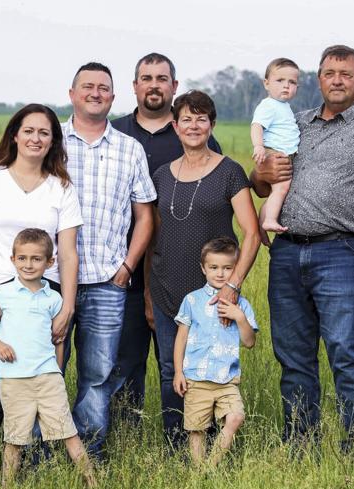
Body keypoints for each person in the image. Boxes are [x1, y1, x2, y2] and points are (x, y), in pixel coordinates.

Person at [250, 45, 354, 451]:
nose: (336, 79)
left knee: (345, 350)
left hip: (341, 252)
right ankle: (300, 443)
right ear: (318, 79)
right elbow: (262, 184)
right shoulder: (297, 122)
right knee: (292, 354)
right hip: (286, 252)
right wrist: (260, 172)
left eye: (345, 73)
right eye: (328, 73)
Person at [0, 104, 83, 472]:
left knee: (48, 386)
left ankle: (34, 466)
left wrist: (67, 307)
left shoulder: (61, 187)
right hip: (1, 294)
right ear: (14, 134)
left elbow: (67, 252)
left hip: (46, 296)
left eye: (44, 133)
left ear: (53, 141)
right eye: (29, 130)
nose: (35, 138)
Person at [110, 53, 222, 432]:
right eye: (146, 77)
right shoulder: (115, 134)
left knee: (181, 364)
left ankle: (185, 438)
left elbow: (220, 194)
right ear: (135, 86)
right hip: (120, 269)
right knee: (123, 362)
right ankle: (126, 438)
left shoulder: (192, 136)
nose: (154, 84)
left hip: (180, 276)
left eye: (162, 78)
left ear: (174, 86)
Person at [149, 89, 261, 451]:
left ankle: (214, 444)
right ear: (174, 125)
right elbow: (153, 234)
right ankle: (177, 446)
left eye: (201, 119)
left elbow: (253, 234)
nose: (193, 125)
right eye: (186, 119)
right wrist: (149, 293)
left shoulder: (229, 172)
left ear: (211, 124)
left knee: (213, 371)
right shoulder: (162, 175)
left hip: (215, 296)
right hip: (168, 289)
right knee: (172, 369)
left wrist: (232, 285)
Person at [62, 61, 156, 460]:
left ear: (113, 97)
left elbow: (145, 217)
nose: (96, 93)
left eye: (104, 88)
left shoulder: (129, 149)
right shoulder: (52, 142)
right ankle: (37, 454)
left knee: (99, 376)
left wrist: (127, 268)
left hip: (107, 282)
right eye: (88, 86)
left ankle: (90, 454)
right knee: (44, 371)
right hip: (50, 281)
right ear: (72, 94)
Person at [0, 229, 96, 489]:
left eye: (36, 259)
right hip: (14, 379)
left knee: (69, 433)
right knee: (14, 439)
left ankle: (93, 484)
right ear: (13, 259)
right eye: (23, 258)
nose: (29, 264)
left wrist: (58, 371)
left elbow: (59, 339)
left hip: (47, 378)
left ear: (50, 262)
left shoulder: (53, 297)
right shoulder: (2, 294)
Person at [172, 237, 258, 466]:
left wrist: (239, 317)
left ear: (235, 268)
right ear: (203, 268)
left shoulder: (242, 305)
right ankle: (199, 475)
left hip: (227, 381)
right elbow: (181, 338)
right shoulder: (191, 300)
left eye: (227, 268)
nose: (220, 274)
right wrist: (178, 372)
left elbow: (250, 342)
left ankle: (212, 466)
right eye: (214, 268)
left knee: (236, 417)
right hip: (196, 379)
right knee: (197, 430)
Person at [251, 58, 301, 235]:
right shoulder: (268, 105)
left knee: (278, 191)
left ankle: (264, 220)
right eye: (280, 81)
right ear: (266, 83)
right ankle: (269, 220)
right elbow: (257, 125)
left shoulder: (283, 106)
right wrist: (258, 146)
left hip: (284, 153)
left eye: (292, 82)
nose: (286, 86)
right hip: (275, 153)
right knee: (281, 188)